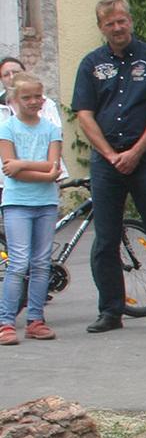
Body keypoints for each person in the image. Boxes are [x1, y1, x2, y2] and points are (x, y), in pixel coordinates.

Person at [70, 0, 146, 331]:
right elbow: (84, 114)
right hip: (107, 161)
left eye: (122, 21)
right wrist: (111, 154)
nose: (117, 28)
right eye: (109, 23)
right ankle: (110, 310)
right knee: (106, 237)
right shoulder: (91, 64)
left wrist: (135, 152)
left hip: (145, 157)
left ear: (130, 20)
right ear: (101, 27)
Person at [0, 74, 62, 345]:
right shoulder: (7, 128)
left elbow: (54, 168)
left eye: (37, 96)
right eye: (26, 97)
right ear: (14, 100)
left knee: (40, 263)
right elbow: (10, 171)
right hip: (17, 203)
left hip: (46, 203)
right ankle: (6, 321)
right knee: (18, 262)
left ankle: (36, 319)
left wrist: (23, 165)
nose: (33, 102)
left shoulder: (50, 128)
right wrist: (42, 172)